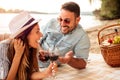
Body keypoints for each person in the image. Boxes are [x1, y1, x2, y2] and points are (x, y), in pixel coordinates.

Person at [0, 11, 57, 80]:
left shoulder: (31, 48)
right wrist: (18, 55)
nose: (41, 35)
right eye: (37, 31)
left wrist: (45, 73)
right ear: (25, 36)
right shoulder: (3, 48)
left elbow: (28, 74)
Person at [39, 1, 90, 69]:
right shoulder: (52, 22)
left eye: (67, 21)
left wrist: (69, 60)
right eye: (60, 19)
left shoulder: (82, 36)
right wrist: (40, 50)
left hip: (49, 69)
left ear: (77, 20)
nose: (62, 24)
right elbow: (36, 39)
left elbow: (83, 63)